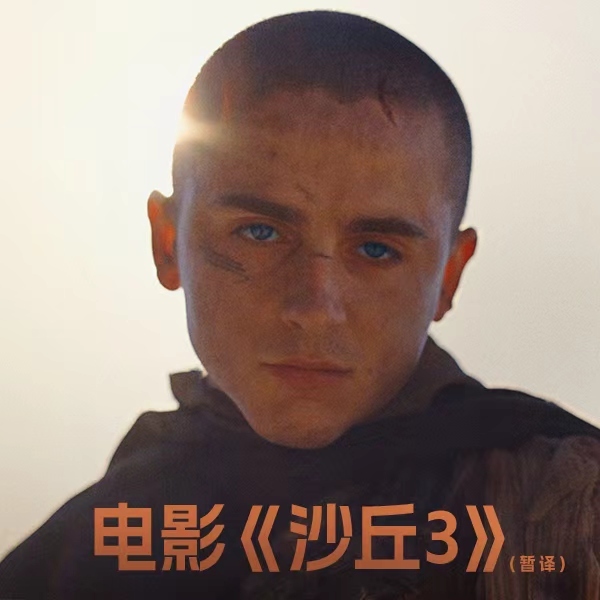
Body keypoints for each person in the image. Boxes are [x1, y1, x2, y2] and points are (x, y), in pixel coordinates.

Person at [1, 10, 599, 600]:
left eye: (376, 249)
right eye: (259, 232)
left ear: (448, 274)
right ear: (167, 242)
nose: (315, 309)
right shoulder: (100, 541)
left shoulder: (562, 509)